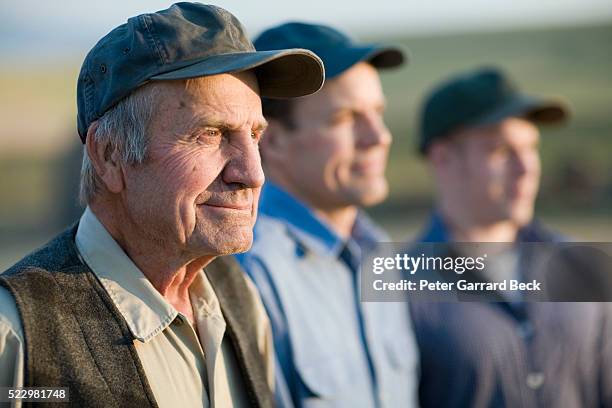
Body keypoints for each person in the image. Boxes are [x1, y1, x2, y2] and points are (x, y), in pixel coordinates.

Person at [0, 3, 324, 407]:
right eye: (211, 134)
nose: (252, 174)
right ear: (110, 155)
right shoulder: (17, 334)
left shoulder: (239, 300)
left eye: (254, 134)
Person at [236, 22, 419, 408]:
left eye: (377, 113)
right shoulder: (253, 270)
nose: (378, 137)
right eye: (345, 119)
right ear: (273, 139)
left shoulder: (379, 251)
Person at [410, 66, 612, 407]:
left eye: (531, 147)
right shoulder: (402, 289)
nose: (526, 167)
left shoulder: (583, 266)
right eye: (501, 151)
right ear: (444, 159)